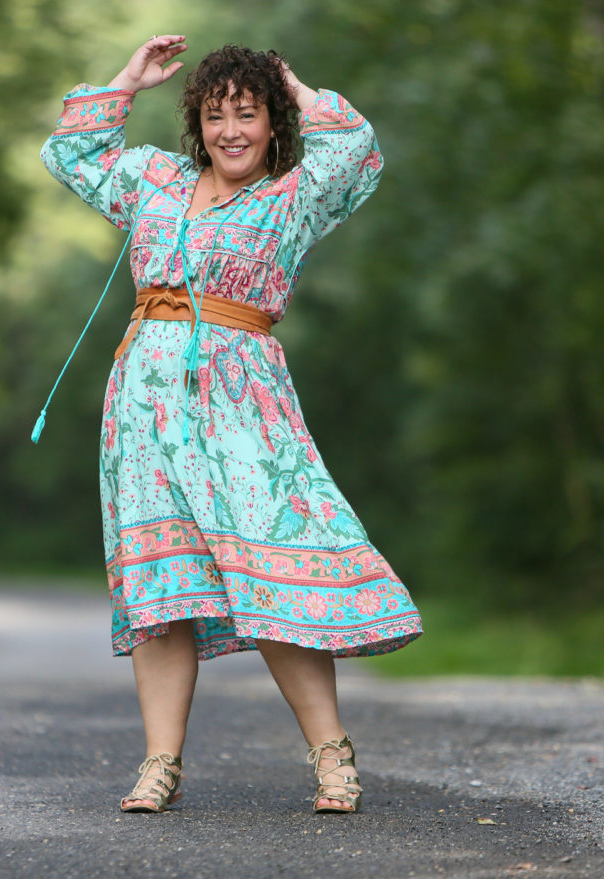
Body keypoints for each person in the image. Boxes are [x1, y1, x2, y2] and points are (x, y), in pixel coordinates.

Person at [40, 35, 423, 814]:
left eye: (248, 114)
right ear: (198, 126)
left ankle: (333, 759)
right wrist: (129, 80)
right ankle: (159, 764)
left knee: (271, 572)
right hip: (145, 408)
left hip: (244, 404)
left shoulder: (293, 195)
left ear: (274, 124)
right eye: (216, 117)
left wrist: (293, 82)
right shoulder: (155, 182)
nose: (231, 131)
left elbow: (354, 147)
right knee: (161, 585)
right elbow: (71, 151)